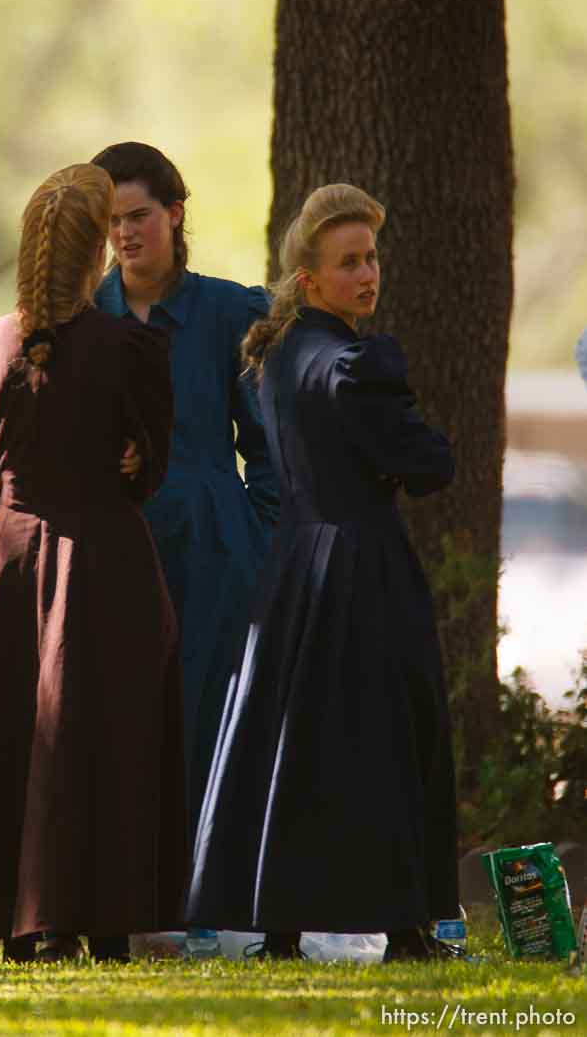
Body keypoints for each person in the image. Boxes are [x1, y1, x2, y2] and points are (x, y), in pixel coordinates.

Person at [0, 164, 186, 964]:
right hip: (102, 554)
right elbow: (152, 468)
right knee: (105, 731)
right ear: (95, 248)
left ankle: (18, 915)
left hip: (9, 554)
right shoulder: (132, 347)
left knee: (6, 728)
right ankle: (102, 916)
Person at [186, 183, 460, 962]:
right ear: (309, 280)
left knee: (292, 741)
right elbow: (426, 463)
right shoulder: (351, 363)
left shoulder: (277, 356)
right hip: (362, 563)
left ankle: (279, 928)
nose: (367, 274)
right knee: (386, 736)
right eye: (349, 263)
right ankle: (405, 929)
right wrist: (426, 451)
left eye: (371, 258)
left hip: (296, 565)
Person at [92, 142, 279, 855]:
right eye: (110, 222)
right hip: (114, 540)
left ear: (174, 213)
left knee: (207, 710)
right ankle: (121, 883)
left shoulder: (232, 311)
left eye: (138, 215)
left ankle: (205, 886)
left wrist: (253, 531)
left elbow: (267, 445)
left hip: (213, 543)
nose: (125, 234)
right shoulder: (84, 319)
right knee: (118, 710)